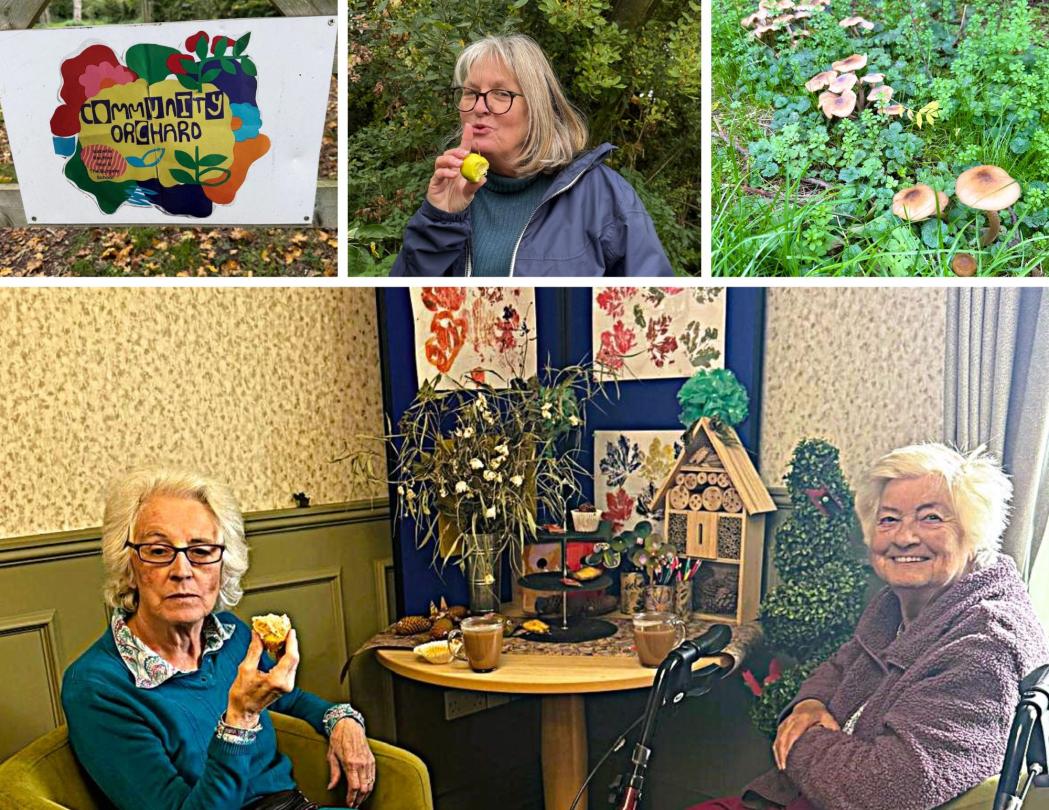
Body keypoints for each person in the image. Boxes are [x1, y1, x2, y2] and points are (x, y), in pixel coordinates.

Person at [690, 444, 1049, 810]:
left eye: (931, 518)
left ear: (975, 533)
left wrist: (800, 738)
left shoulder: (987, 644)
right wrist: (809, 705)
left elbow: (887, 790)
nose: (904, 537)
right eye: (889, 519)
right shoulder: (897, 604)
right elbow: (839, 667)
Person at [61, 466, 376, 810]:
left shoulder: (230, 635)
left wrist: (343, 721)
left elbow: (292, 700)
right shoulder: (96, 686)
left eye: (201, 551)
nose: (182, 571)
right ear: (129, 567)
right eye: (157, 550)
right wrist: (239, 718)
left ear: (223, 564)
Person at [390, 34, 673, 277]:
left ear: (537, 107)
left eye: (501, 94)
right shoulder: (452, 189)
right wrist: (439, 220)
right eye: (470, 92)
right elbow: (406, 303)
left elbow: (654, 304)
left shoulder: (602, 196)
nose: (480, 106)